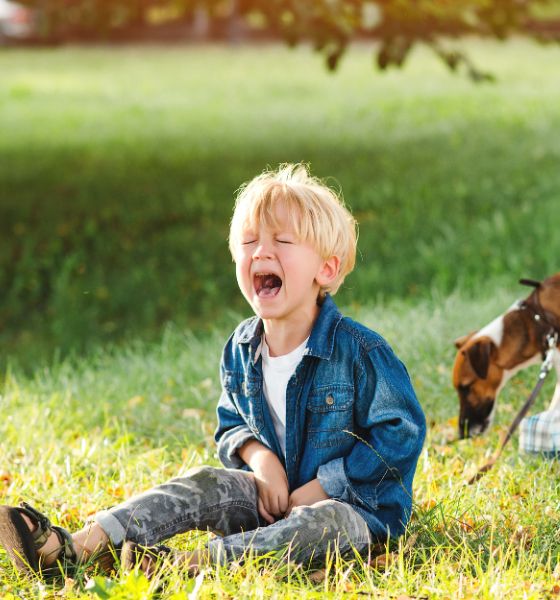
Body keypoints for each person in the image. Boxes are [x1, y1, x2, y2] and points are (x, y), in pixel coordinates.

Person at [0, 164, 427, 578]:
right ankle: (74, 547)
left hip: (355, 512)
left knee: (323, 525)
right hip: (268, 498)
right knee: (201, 483)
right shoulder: (243, 346)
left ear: (326, 269)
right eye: (248, 242)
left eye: (282, 240)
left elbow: (400, 432)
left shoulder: (358, 351)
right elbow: (232, 424)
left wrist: (324, 487)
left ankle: (191, 565)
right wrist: (261, 461)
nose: (261, 251)